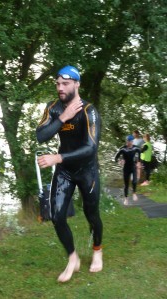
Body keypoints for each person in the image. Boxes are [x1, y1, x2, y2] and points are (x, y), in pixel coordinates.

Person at [36, 65, 103, 283]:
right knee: (56, 216)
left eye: (65, 83)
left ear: (77, 84)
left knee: (91, 214)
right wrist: (63, 117)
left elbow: (90, 148)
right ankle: (73, 257)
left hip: (87, 170)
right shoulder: (53, 108)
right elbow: (41, 135)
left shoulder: (89, 111)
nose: (60, 87)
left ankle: (97, 250)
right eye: (57, 84)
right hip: (65, 172)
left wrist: (57, 158)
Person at [115, 135, 141, 205]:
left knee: (135, 181)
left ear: (132, 141)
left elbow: (139, 153)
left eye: (131, 141)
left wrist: (138, 162)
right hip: (126, 168)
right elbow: (116, 157)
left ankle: (134, 193)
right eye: (128, 141)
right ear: (126, 141)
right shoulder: (123, 149)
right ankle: (126, 198)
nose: (129, 143)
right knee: (126, 184)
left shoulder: (135, 148)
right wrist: (120, 161)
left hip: (133, 167)